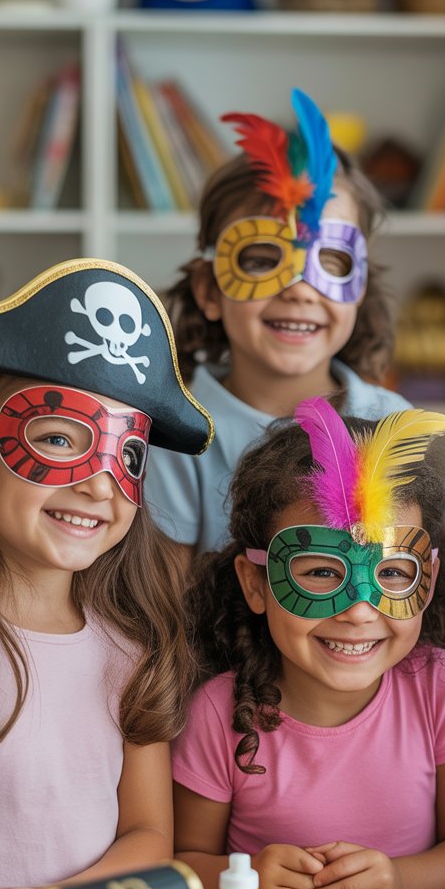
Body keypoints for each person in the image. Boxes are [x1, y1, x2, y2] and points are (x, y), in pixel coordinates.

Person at [172, 399, 445, 889]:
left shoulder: (441, 688)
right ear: (255, 583)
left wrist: (400, 885)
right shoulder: (218, 714)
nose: (358, 610)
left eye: (394, 574)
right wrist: (243, 884)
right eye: (322, 573)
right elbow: (183, 864)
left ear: (429, 581)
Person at [0, 257, 214, 889]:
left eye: (128, 457)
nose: (97, 486)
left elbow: (149, 836)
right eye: (57, 438)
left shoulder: (134, 652)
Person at [145, 87, 411, 562]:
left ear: (361, 286)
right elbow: (171, 603)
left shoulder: (391, 424)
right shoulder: (177, 436)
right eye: (263, 259)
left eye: (331, 261)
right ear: (209, 289)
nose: (300, 289)